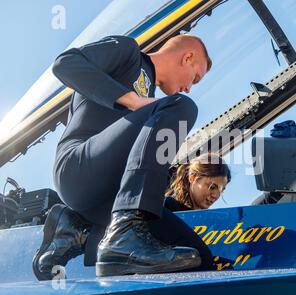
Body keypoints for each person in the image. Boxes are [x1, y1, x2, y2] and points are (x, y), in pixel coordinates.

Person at [32, 33, 212, 280]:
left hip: (111, 194)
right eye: (196, 77)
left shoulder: (155, 105)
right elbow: (65, 64)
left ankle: (76, 233)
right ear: (188, 56)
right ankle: (124, 233)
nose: (190, 87)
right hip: (77, 169)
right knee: (183, 105)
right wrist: (133, 101)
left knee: (198, 258)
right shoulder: (128, 53)